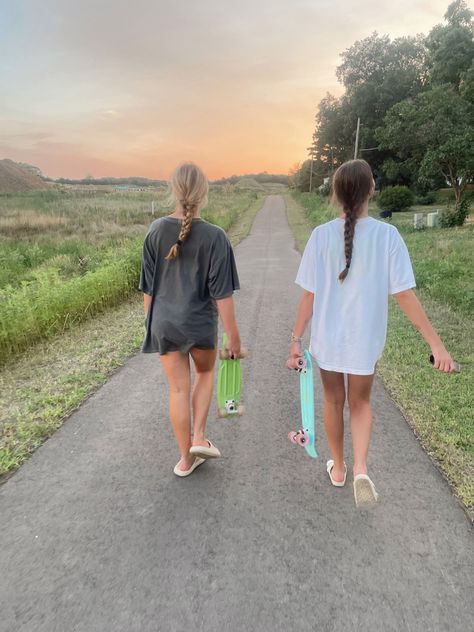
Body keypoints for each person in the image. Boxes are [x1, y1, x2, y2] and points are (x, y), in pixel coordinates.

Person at [287, 159, 456, 507]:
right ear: (371, 190)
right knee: (360, 403)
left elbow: (309, 295)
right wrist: (435, 343)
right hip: (365, 342)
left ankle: (339, 470)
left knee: (333, 401)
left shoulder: (320, 236)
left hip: (327, 341)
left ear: (335, 193)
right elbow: (404, 294)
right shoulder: (388, 235)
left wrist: (295, 340)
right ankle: (361, 467)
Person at [140, 162, 241, 477]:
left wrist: (151, 325)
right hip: (199, 325)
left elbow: (148, 288)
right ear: (204, 193)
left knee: (178, 391)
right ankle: (199, 436)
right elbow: (222, 295)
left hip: (164, 324)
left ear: (173, 189)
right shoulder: (216, 237)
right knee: (206, 373)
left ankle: (186, 460)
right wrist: (234, 337)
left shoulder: (156, 230)